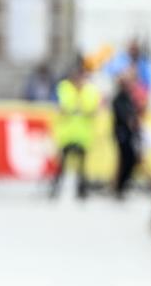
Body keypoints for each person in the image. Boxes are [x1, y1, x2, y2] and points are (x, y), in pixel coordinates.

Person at [49, 64, 101, 199]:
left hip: (83, 134)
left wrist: (78, 108)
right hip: (67, 133)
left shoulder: (90, 91)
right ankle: (56, 189)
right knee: (62, 165)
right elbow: (62, 108)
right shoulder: (64, 89)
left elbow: (92, 110)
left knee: (81, 166)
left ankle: (81, 191)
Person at [112, 68, 141, 199]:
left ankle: (122, 185)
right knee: (124, 160)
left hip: (129, 134)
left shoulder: (129, 98)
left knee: (131, 159)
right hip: (121, 134)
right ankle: (118, 187)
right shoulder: (118, 99)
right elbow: (123, 116)